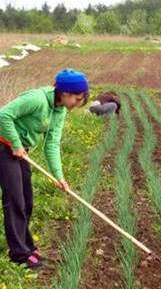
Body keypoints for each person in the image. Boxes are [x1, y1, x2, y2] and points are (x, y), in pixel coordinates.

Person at [0, 68, 89, 269]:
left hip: (19, 152)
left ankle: (26, 246)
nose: (79, 103)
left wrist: (59, 176)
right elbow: (3, 115)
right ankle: (19, 254)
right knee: (14, 200)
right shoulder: (37, 99)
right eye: (77, 98)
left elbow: (52, 144)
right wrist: (15, 143)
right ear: (64, 93)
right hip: (3, 147)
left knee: (27, 200)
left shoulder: (60, 111)